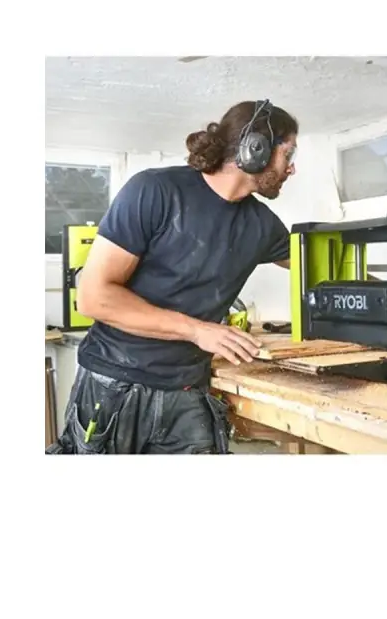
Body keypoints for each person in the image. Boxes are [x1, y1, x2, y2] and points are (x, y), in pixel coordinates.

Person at [47, 99, 298, 454]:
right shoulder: (155, 191)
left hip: (187, 391)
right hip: (114, 384)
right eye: (288, 154)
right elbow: (93, 297)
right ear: (255, 149)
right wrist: (197, 330)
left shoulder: (263, 226)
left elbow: (316, 263)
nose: (292, 168)